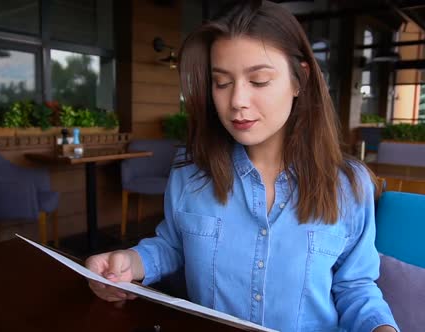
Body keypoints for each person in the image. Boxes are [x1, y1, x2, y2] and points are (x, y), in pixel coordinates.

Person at [86, 1, 399, 331]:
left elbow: (355, 288)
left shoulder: (349, 185)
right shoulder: (190, 171)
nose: (236, 100)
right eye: (221, 82)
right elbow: (174, 246)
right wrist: (128, 263)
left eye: (259, 80)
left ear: (299, 80)